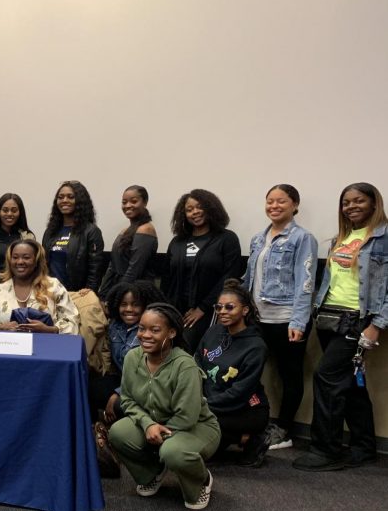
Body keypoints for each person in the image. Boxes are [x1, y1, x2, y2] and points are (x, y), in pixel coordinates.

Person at [293, 182, 387, 472]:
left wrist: (376, 325)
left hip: (357, 319)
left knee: (327, 378)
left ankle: (327, 450)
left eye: (359, 201)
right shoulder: (341, 238)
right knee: (349, 384)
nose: (351, 206)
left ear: (374, 203)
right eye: (346, 202)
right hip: (328, 317)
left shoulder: (383, 237)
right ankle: (363, 446)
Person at [108, 303, 221, 510]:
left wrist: (158, 435)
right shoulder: (133, 357)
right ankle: (152, 472)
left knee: (172, 452)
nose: (145, 335)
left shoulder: (185, 365)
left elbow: (187, 416)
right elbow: (128, 400)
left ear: (171, 333)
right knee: (117, 433)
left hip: (197, 427)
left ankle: (202, 480)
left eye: (155, 330)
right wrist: (148, 424)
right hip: (155, 422)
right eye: (142, 328)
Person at [243, 184, 318, 450]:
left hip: (287, 319)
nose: (274, 206)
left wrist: (299, 321)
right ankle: (251, 423)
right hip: (257, 319)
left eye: (281, 202)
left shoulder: (302, 238)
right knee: (252, 372)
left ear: (295, 205)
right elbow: (250, 279)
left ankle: (284, 430)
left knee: (290, 375)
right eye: (270, 201)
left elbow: (305, 283)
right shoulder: (257, 238)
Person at [196, 280, 270, 467]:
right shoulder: (213, 332)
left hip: (245, 410)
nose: (222, 312)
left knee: (195, 421)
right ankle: (229, 437)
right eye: (219, 307)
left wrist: (202, 406)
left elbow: (240, 393)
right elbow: (195, 364)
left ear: (244, 310)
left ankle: (250, 438)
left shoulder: (255, 346)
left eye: (229, 307)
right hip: (210, 404)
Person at [163, 189, 242, 353]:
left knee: (191, 352)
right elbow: (167, 278)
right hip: (177, 311)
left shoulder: (226, 239)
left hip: (210, 311)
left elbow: (229, 277)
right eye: (189, 209)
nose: (195, 212)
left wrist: (203, 308)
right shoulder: (177, 242)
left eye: (199, 207)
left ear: (211, 208)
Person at [42, 180, 108, 371]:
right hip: (52, 295)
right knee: (52, 345)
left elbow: (96, 266)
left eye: (70, 197)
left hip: (79, 296)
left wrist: (89, 291)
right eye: (61, 197)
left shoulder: (90, 231)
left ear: (80, 201)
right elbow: (44, 264)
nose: (65, 200)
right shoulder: (51, 231)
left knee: (75, 347)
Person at [93, 280, 166, 425]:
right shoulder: (115, 325)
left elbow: (144, 376)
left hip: (147, 387)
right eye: (123, 304)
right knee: (88, 385)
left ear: (146, 306)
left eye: (135, 304)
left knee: (118, 404)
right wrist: (87, 294)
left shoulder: (150, 332)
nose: (129, 309)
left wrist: (116, 395)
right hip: (123, 379)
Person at [0, 239, 79, 335]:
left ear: (36, 261)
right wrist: (1, 327)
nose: (20, 262)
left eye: (26, 257)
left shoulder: (53, 286)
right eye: (15, 257)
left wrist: (48, 330)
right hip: (9, 346)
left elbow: (72, 321)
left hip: (48, 346)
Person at [99, 186, 157, 298]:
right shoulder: (125, 231)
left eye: (134, 201)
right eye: (124, 202)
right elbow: (113, 265)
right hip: (119, 289)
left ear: (145, 202)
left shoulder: (146, 229)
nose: (128, 205)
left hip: (136, 294)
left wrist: (116, 296)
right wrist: (102, 295)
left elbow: (134, 271)